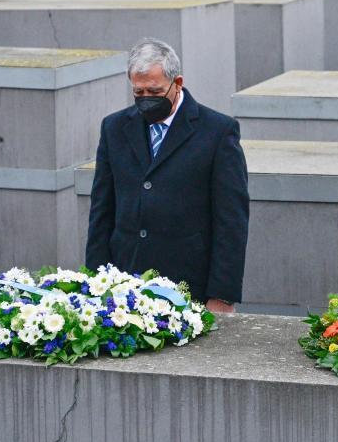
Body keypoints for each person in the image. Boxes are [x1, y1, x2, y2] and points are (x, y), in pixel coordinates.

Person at [86, 38, 249, 312]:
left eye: (155, 91)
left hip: (189, 289)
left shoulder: (218, 131)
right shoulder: (113, 128)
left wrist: (221, 296)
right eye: (139, 92)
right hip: (124, 286)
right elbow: (101, 211)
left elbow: (231, 221)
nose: (146, 98)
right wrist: (95, 282)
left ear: (178, 83)